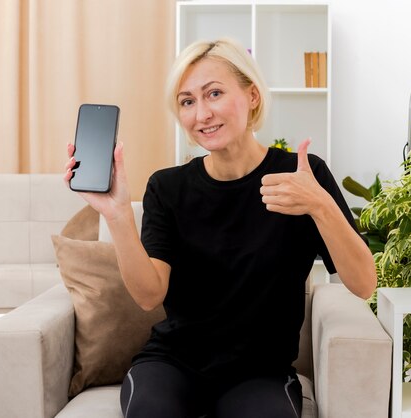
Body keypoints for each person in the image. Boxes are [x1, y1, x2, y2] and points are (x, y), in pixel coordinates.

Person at [64, 37, 376, 418]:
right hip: (172, 364)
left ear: (252, 96)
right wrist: (117, 215)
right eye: (187, 101)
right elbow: (149, 295)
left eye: (214, 94)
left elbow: (363, 284)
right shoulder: (168, 187)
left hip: (260, 372)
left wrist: (320, 205)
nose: (202, 114)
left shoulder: (302, 178)